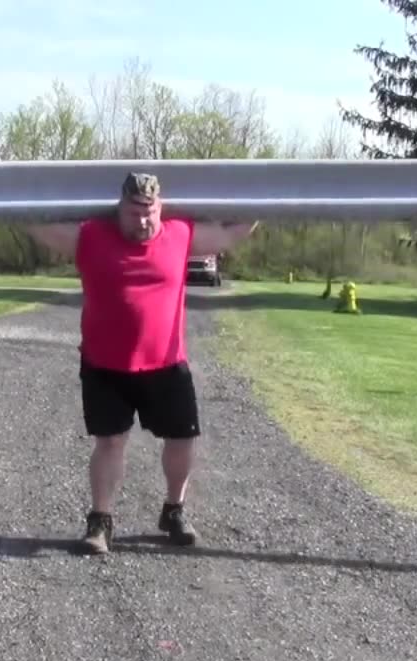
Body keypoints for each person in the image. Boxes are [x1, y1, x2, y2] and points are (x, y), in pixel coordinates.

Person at [25, 172, 258, 554]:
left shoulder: (180, 234)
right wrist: (4, 188)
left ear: (160, 208)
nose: (143, 220)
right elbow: (37, 226)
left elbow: (233, 233)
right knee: (110, 442)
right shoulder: (91, 235)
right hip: (105, 363)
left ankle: (174, 510)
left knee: (183, 439)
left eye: (149, 212)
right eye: (134, 213)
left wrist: (267, 198)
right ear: (120, 209)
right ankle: (100, 522)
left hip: (166, 362)